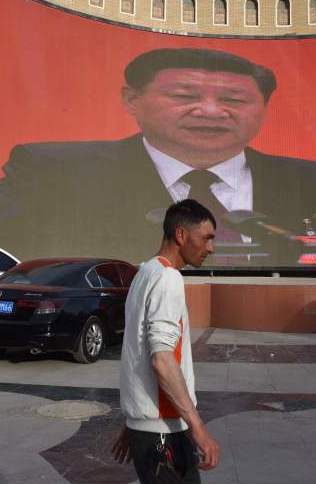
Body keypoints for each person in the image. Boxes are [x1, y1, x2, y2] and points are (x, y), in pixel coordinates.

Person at [0, 48, 316, 265]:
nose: (211, 111)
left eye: (235, 100)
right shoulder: (50, 171)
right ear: (131, 100)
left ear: (263, 109)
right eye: (185, 94)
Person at [112, 199, 221, 482]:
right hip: (165, 432)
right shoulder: (168, 278)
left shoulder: (145, 272)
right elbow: (161, 359)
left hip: (148, 429)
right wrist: (199, 428)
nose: (211, 247)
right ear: (181, 235)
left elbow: (137, 351)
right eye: (206, 238)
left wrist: (134, 422)